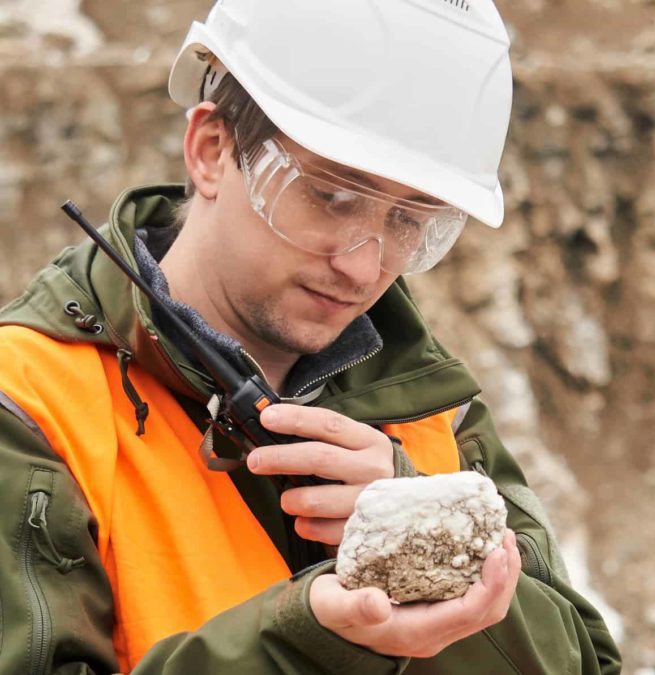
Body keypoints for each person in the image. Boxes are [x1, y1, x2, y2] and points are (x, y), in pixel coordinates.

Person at [0, 0, 621, 672]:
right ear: (212, 151)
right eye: (330, 196)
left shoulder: (428, 409)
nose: (363, 265)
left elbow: (583, 661)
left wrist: (437, 552)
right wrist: (313, 640)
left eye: (411, 222)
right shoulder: (30, 409)